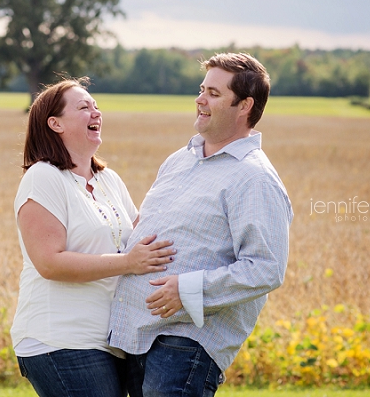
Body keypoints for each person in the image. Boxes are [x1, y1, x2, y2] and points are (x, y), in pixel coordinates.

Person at [108, 53, 293, 397]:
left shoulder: (254, 178)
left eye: (214, 93)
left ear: (244, 106)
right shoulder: (179, 160)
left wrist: (186, 289)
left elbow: (267, 269)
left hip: (185, 342)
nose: (200, 100)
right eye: (201, 89)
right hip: (135, 333)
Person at [11, 78, 177, 397]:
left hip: (112, 341)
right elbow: (50, 263)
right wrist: (128, 263)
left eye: (97, 106)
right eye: (84, 107)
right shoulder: (43, 177)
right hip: (59, 339)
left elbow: (139, 236)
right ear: (55, 123)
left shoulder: (108, 180)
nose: (95, 112)